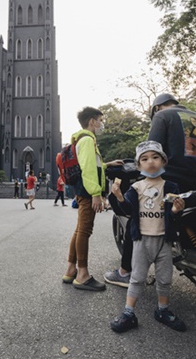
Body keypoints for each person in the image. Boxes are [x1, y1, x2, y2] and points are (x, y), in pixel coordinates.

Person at [105, 93, 196, 288]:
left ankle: (125, 272)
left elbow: (152, 151)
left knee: (138, 217)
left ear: (157, 108)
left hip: (169, 182)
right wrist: (194, 170)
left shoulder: (162, 116)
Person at [109, 140, 186, 333]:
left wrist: (176, 210)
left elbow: (171, 216)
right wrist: (118, 196)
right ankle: (128, 313)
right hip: (141, 241)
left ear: (163, 161)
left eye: (155, 157)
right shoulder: (136, 188)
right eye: (145, 158)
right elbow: (126, 209)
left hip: (163, 241)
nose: (150, 161)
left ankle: (163, 310)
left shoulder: (171, 187)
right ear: (139, 165)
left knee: (164, 278)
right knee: (136, 278)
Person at [62, 107, 123, 291]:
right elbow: (88, 168)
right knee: (85, 231)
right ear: (92, 122)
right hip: (88, 192)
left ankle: (71, 269)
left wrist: (107, 164)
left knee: (80, 229)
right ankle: (82, 275)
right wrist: (96, 194)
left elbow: (91, 165)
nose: (101, 123)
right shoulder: (88, 140)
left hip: (82, 190)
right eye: (100, 120)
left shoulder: (81, 139)